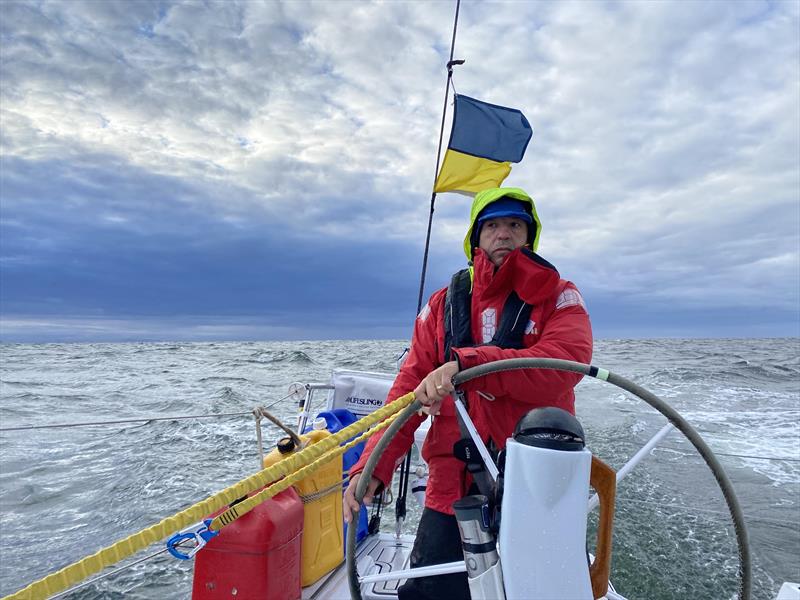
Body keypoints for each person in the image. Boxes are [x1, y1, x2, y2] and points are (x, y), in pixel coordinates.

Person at [343, 187, 593, 600]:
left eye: (515, 224)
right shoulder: (442, 306)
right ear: (474, 238)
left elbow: (565, 364)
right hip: (451, 487)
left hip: (535, 487)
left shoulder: (559, 297)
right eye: (492, 226)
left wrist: (467, 365)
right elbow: (408, 391)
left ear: (529, 236)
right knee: (429, 593)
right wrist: (373, 466)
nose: (503, 234)